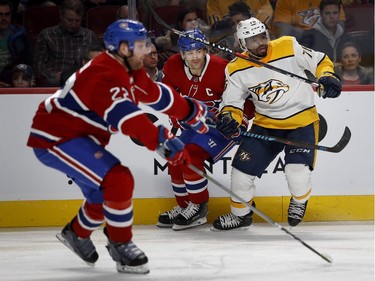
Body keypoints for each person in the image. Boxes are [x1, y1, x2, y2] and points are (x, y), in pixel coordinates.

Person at [26, 19, 212, 273]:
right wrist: (165, 143)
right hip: (56, 137)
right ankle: (120, 244)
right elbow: (129, 119)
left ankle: (76, 233)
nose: (146, 49)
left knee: (103, 194)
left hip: (80, 134)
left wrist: (189, 110)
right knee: (118, 179)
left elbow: (155, 94)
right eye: (140, 44)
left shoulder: (128, 68)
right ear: (123, 48)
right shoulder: (104, 74)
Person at [212, 18, 342, 231]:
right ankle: (241, 215)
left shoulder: (288, 45)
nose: (260, 43)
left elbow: (319, 61)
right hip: (266, 125)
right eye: (253, 40)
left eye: (262, 36)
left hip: (302, 122)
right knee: (241, 174)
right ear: (243, 44)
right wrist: (229, 119)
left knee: (296, 173)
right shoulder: (235, 68)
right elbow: (232, 105)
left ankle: (299, 201)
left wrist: (327, 77)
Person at [158, 28, 254, 230]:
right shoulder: (173, 65)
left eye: (199, 51)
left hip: (222, 126)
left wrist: (238, 121)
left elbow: (247, 101)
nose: (195, 57)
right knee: (173, 155)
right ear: (182, 54)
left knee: (190, 156)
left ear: (205, 51)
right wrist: (177, 120)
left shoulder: (223, 69)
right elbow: (168, 98)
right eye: (190, 53)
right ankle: (185, 206)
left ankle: (198, 206)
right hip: (195, 124)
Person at [33, 0, 99, 86]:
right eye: (70, 20)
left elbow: (97, 63)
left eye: (77, 21)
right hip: (57, 81)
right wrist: (54, 75)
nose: (74, 24)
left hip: (83, 79)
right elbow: (39, 67)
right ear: (61, 16)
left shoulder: (89, 36)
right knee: (51, 82)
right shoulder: (46, 35)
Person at [272, 0, 346, 40]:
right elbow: (282, 29)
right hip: (300, 41)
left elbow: (340, 24)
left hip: (327, 39)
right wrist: (307, 34)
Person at [0, 0, 32, 87]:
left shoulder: (20, 34)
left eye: (7, 14)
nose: (3, 18)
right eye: (0, 14)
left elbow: (27, 63)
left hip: (13, 81)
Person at [206, 0, 274, 27]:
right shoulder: (213, 1)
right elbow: (216, 26)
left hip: (258, 31)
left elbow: (267, 17)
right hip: (231, 38)